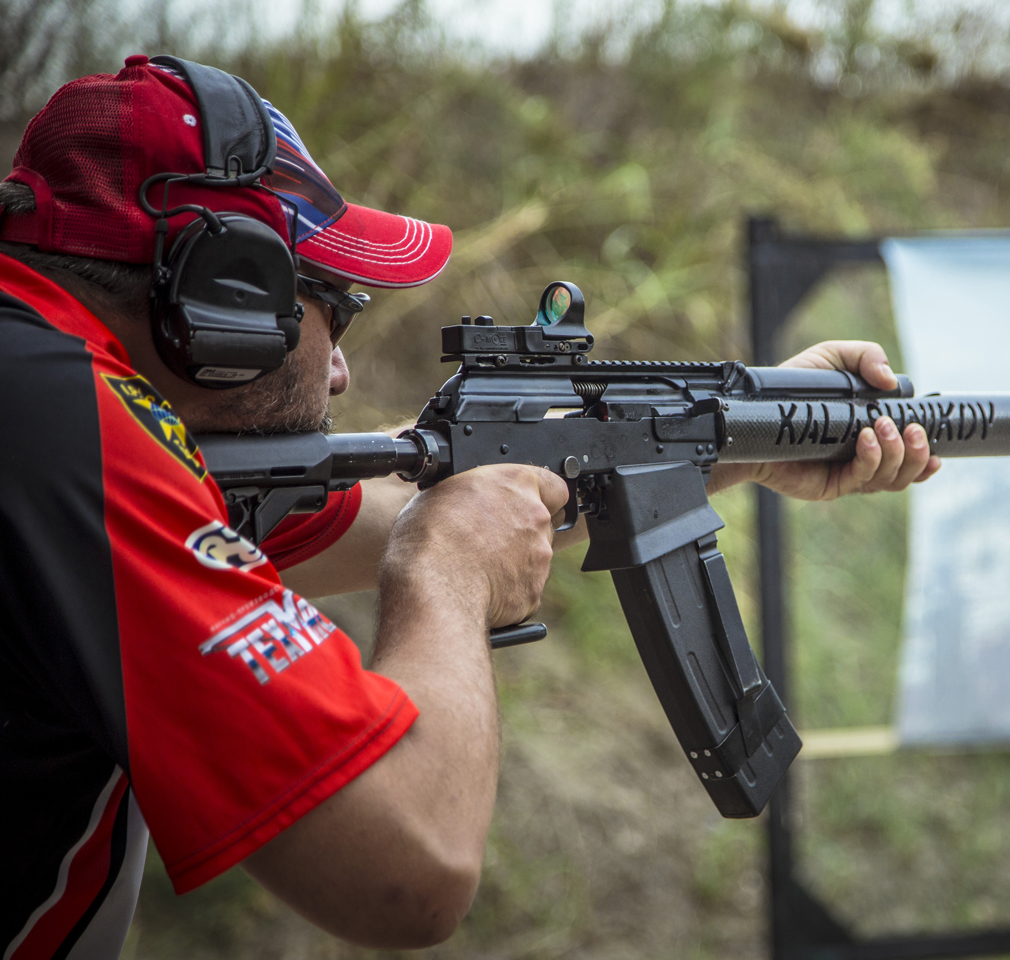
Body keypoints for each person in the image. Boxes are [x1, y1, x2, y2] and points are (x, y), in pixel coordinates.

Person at [0, 56, 940, 958]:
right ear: (225, 297)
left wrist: (724, 448)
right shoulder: (72, 432)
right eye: (340, 304)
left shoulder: (48, 387)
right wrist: (446, 577)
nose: (342, 366)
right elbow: (411, 868)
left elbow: (371, 514)